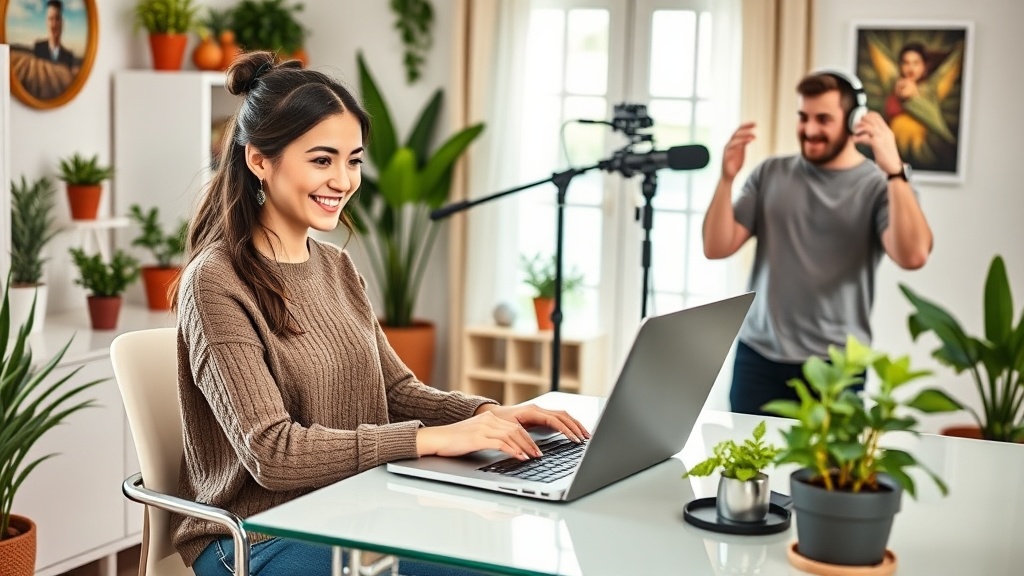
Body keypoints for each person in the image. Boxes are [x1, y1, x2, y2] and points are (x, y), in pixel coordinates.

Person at [172, 50, 590, 576]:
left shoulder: (337, 267)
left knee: (503, 552)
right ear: (259, 159)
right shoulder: (216, 281)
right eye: (322, 160)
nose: (344, 181)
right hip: (256, 538)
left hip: (351, 509)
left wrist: (485, 414)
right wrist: (425, 438)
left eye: (354, 160)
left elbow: (395, 391)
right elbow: (271, 452)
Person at [702, 71, 933, 416]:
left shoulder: (877, 186)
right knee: (748, 468)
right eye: (803, 117)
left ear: (852, 122)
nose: (810, 130)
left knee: (826, 472)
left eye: (823, 119)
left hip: (836, 367)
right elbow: (716, 246)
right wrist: (726, 177)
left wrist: (894, 172)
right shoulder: (771, 174)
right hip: (758, 358)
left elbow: (913, 255)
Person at [33, 0, 75, 69]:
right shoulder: (38, 49)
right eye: (50, 19)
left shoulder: (69, 57)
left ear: (62, 23)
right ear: (46, 22)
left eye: (57, 19)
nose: (54, 24)